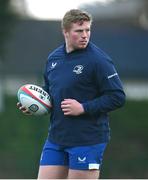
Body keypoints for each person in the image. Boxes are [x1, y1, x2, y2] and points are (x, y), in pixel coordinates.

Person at [17, 9, 126, 179]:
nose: (85, 35)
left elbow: (117, 97)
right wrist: (35, 103)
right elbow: (50, 89)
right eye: (79, 31)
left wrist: (83, 107)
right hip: (56, 138)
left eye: (88, 30)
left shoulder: (98, 60)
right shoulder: (54, 58)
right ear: (65, 32)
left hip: (87, 140)